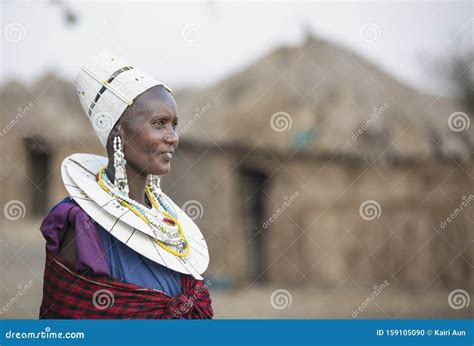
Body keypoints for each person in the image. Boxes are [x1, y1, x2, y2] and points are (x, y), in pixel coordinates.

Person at [39, 52, 212, 319]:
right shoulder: (82, 223)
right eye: (159, 124)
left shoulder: (169, 224)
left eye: (174, 125)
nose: (173, 137)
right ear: (119, 131)